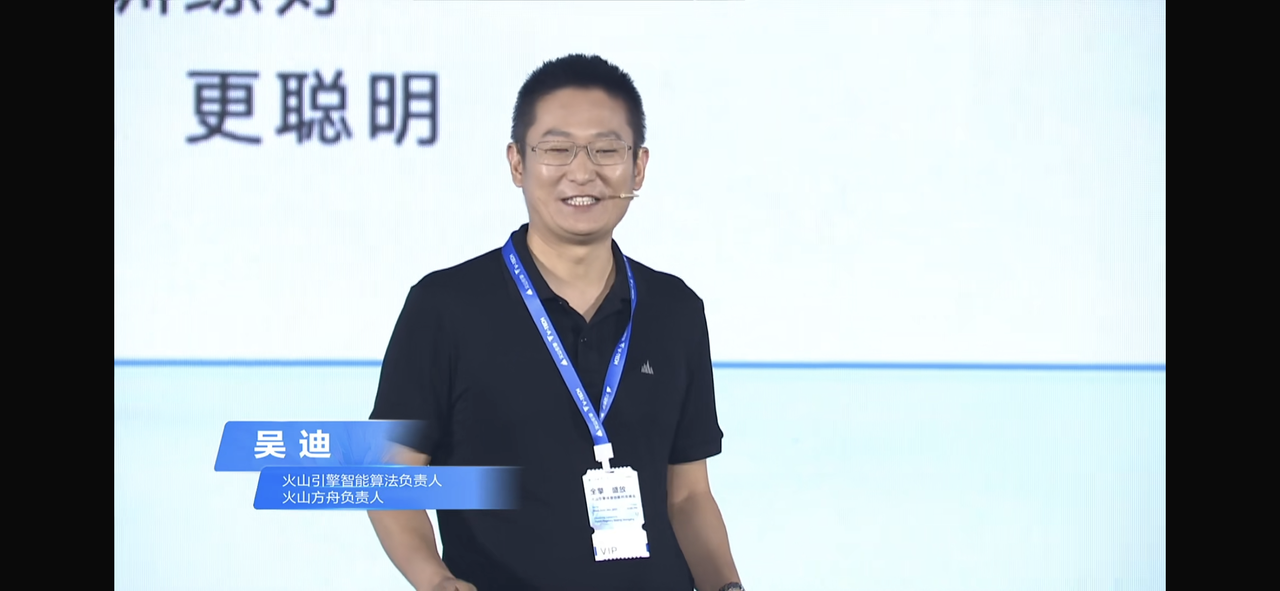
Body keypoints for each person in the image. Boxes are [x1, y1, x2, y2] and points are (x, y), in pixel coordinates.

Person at [368, 54, 743, 591]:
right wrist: (434, 580)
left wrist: (728, 586)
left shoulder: (674, 308)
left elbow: (687, 495)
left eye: (606, 150)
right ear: (517, 163)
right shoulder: (445, 306)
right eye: (557, 149)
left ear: (638, 167)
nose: (582, 171)